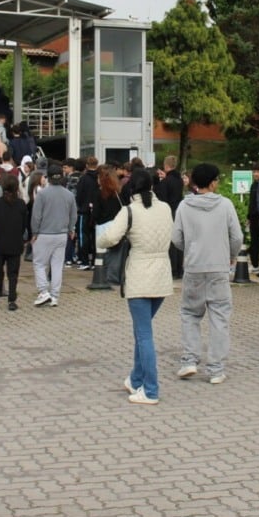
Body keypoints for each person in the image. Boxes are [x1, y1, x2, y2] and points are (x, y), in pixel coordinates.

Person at [98, 168, 175, 405]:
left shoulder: (129, 211)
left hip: (140, 276)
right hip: (162, 276)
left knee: (144, 335)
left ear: (132, 188)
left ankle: (150, 390)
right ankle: (135, 379)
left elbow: (109, 237)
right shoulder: (165, 208)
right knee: (142, 331)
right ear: (152, 186)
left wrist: (100, 239)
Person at [172, 163, 244, 384]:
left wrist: (190, 249)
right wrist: (231, 255)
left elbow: (176, 238)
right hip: (219, 267)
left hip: (194, 266)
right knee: (219, 316)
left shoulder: (184, 206)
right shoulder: (225, 205)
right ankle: (215, 369)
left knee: (190, 314)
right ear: (213, 183)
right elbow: (237, 237)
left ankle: (189, 360)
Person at [30, 163, 77, 307]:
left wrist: (34, 232)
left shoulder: (42, 194)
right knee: (57, 265)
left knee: (39, 263)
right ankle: (55, 295)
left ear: (48, 178)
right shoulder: (69, 194)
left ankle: (43, 291)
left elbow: (36, 215)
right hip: (62, 234)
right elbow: (73, 215)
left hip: (44, 233)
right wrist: (71, 229)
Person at [0, 173, 27, 311]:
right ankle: (12, 299)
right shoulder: (21, 204)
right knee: (13, 273)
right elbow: (24, 225)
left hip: (0, 241)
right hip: (15, 242)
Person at [154, 155, 185, 279]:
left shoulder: (166, 182)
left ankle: (172, 269)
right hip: (179, 211)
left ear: (166, 165)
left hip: (169, 212)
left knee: (170, 241)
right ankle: (179, 269)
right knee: (179, 240)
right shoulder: (179, 180)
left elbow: (161, 198)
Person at [94, 165, 124, 284]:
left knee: (102, 254)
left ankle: (103, 276)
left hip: (103, 226)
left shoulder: (99, 193)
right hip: (116, 225)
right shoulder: (118, 193)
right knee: (116, 253)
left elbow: (96, 213)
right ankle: (115, 275)